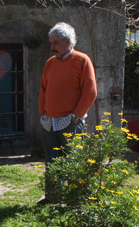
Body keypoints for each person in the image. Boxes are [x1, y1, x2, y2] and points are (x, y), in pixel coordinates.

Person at [38, 22, 97, 204]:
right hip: (49, 121)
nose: (52, 47)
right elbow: (43, 90)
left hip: (70, 121)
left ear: (67, 42)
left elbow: (90, 91)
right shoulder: (50, 63)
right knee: (52, 163)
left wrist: (76, 116)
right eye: (51, 43)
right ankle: (53, 198)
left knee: (73, 162)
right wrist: (42, 114)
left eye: (55, 43)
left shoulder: (82, 60)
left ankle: (75, 199)